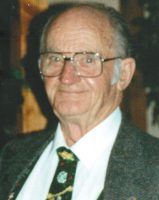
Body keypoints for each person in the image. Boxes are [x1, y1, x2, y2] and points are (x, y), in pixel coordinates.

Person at [0, 2, 159, 200]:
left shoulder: (154, 169)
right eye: (55, 58)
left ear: (124, 74)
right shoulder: (10, 157)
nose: (67, 77)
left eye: (88, 60)